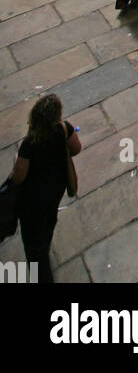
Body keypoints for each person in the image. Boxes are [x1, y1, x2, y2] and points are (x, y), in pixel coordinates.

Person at [11, 93, 82, 283]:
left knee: (33, 241)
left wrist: (16, 158)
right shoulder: (64, 129)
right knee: (49, 219)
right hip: (56, 188)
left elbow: (18, 177)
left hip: (34, 198)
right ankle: (46, 243)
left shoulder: (29, 145)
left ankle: (41, 274)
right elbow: (76, 148)